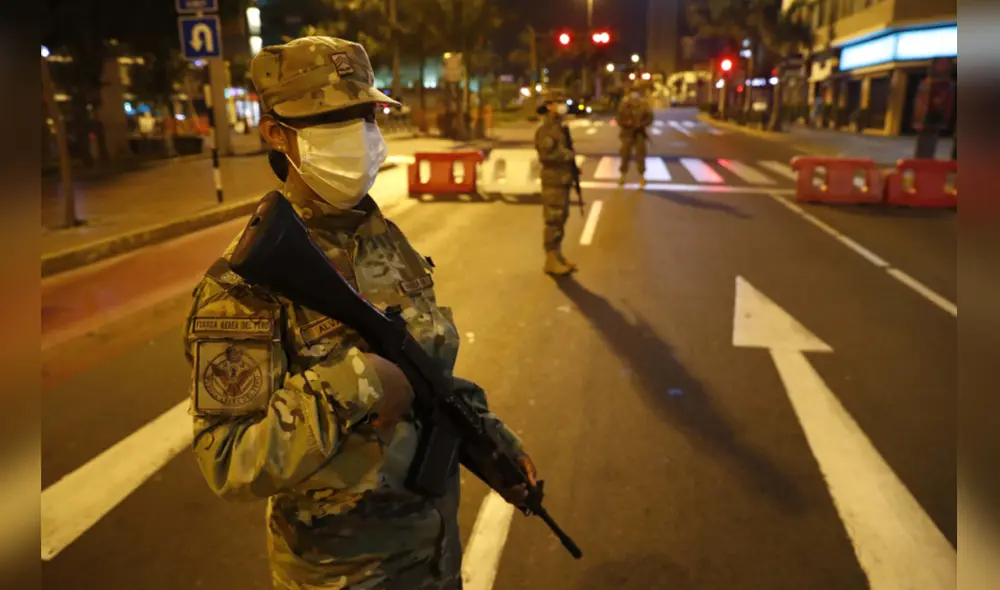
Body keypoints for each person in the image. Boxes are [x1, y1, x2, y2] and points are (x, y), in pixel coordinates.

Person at [183, 36, 537, 590]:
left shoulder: (383, 240)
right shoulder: (245, 284)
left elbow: (426, 371)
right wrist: (353, 386)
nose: (359, 136)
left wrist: (490, 440)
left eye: (363, 115)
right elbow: (228, 460)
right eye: (331, 118)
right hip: (342, 576)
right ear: (276, 132)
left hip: (433, 558)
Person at [533, 96, 578, 276]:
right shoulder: (546, 130)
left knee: (561, 218)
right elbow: (547, 155)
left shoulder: (560, 128)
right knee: (553, 219)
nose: (562, 106)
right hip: (553, 180)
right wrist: (568, 156)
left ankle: (557, 254)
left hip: (562, 179)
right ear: (549, 106)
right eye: (557, 102)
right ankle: (550, 259)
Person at [615, 85, 654, 188]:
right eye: (632, 92)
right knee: (625, 155)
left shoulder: (644, 105)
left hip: (639, 133)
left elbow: (650, 117)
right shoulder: (624, 104)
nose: (634, 95)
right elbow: (619, 118)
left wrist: (641, 124)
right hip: (627, 134)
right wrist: (626, 123)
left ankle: (642, 177)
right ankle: (622, 176)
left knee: (641, 155)